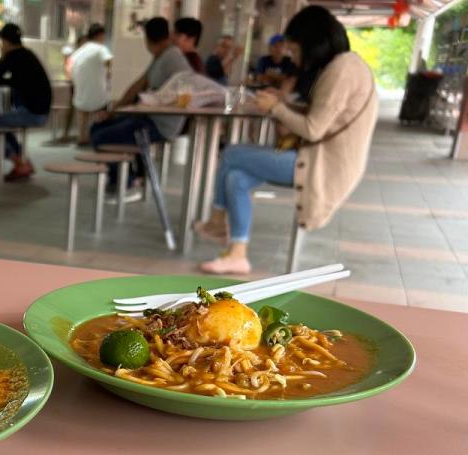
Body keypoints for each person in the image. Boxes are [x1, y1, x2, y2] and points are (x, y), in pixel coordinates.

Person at [193, 5, 378, 275]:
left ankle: (218, 221)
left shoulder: (342, 70)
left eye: (294, 48)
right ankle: (237, 253)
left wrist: (276, 108)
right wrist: (281, 103)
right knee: (236, 178)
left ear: (312, 43)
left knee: (232, 154)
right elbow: (322, 119)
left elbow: (313, 129)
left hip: (322, 167)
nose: (292, 55)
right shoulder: (345, 66)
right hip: (315, 158)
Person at [89, 17, 190, 189]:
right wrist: (113, 112)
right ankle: (127, 176)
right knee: (97, 128)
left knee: (101, 137)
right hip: (148, 118)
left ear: (147, 39)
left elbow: (183, 91)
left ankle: (125, 180)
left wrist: (116, 110)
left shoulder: (173, 58)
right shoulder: (161, 56)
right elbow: (138, 85)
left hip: (161, 125)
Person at [0, 23, 52, 181]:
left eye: (2, 41)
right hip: (40, 111)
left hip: (32, 112)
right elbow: (13, 81)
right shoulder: (27, 55)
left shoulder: (13, 56)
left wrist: (1, 57)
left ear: (6, 42)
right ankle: (23, 162)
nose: (1, 44)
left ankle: (19, 164)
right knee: (1, 126)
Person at [68, 24, 113, 145]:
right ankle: (97, 135)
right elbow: (110, 63)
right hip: (98, 94)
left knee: (83, 112)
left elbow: (70, 69)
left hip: (80, 95)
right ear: (100, 35)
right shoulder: (101, 49)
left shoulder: (78, 52)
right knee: (102, 108)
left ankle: (82, 136)